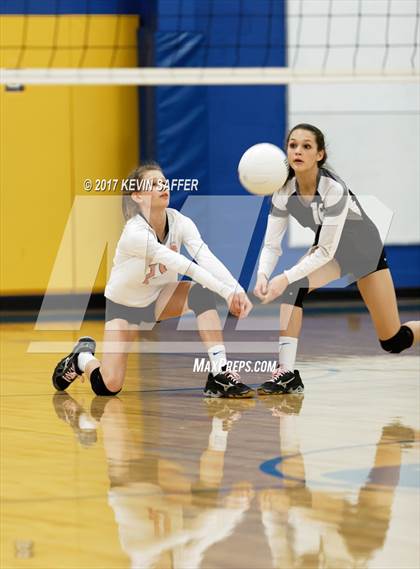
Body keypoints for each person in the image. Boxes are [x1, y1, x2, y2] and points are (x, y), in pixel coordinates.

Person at [52, 163, 254, 398]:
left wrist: (237, 290)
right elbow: (183, 265)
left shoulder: (180, 222)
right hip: (124, 308)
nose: (163, 186)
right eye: (154, 184)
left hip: (159, 298)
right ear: (137, 196)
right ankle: (82, 358)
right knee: (108, 386)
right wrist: (226, 293)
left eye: (164, 182)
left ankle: (220, 374)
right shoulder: (134, 233)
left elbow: (205, 257)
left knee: (201, 294)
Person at [254, 123, 419, 395]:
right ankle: (286, 374)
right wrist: (263, 275)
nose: (298, 151)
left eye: (306, 146)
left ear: (320, 154)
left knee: (393, 341)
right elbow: (272, 245)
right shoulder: (283, 190)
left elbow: (325, 251)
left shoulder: (333, 189)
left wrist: (283, 277)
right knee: (295, 289)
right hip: (333, 253)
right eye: (293, 145)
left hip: (365, 252)